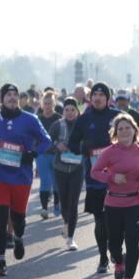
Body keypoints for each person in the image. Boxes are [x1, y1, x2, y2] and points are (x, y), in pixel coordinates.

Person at [0, 83, 52, 276]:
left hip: (21, 177)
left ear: (19, 98)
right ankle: (1, 261)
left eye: (15, 95)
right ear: (1, 98)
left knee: (18, 218)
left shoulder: (30, 119)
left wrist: (33, 153)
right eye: (7, 95)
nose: (11, 97)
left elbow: (47, 140)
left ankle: (18, 237)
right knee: (0, 218)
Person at [91, 114, 139, 279]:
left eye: (128, 127)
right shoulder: (109, 152)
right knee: (114, 243)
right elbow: (95, 172)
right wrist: (112, 177)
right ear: (116, 132)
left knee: (133, 242)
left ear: (135, 130)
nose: (125, 131)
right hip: (114, 203)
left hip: (136, 203)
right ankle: (118, 261)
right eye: (121, 128)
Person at [67, 81, 121, 274]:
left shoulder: (117, 117)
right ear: (91, 99)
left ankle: (115, 251)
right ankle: (103, 258)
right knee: (100, 220)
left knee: (115, 220)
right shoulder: (84, 119)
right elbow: (72, 144)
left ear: (108, 99)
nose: (98, 98)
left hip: (118, 178)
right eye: (95, 95)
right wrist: (83, 149)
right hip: (95, 179)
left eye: (102, 95)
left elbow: (131, 138)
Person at [50, 98, 84, 250]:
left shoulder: (83, 124)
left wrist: (82, 147)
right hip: (60, 168)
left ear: (77, 111)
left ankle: (70, 238)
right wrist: (58, 145)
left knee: (73, 202)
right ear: (63, 111)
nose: (70, 113)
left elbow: (90, 141)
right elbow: (46, 142)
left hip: (77, 168)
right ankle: (66, 221)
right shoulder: (57, 125)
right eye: (67, 110)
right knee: (64, 201)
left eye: (73, 110)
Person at [36, 91, 63, 219]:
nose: (47, 106)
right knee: (45, 182)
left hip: (56, 154)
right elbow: (33, 137)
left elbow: (64, 135)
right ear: (42, 104)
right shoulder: (38, 119)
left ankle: (57, 203)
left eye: (50, 103)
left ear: (54, 103)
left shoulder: (59, 118)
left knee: (56, 181)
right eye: (45, 103)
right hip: (42, 155)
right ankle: (44, 208)